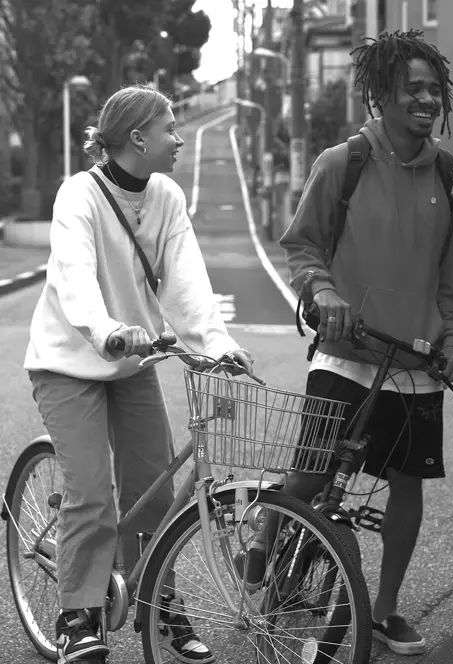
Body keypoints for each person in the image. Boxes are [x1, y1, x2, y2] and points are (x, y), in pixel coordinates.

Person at [238, 29, 453, 656]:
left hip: (417, 362)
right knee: (312, 476)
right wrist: (324, 292)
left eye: (434, 90)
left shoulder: (448, 174)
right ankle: (266, 531)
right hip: (346, 353)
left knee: (408, 485)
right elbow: (303, 245)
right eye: (412, 89)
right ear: (382, 97)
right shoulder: (344, 163)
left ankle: (386, 610)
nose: (426, 100)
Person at [24, 85, 254, 664]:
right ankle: (77, 612)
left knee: (154, 491)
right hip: (69, 361)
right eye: (170, 128)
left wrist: (216, 341)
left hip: (133, 360)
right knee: (91, 493)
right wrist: (106, 331)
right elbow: (72, 277)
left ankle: (158, 599)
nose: (179, 138)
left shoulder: (168, 197)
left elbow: (186, 278)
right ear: (137, 137)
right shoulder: (79, 195)